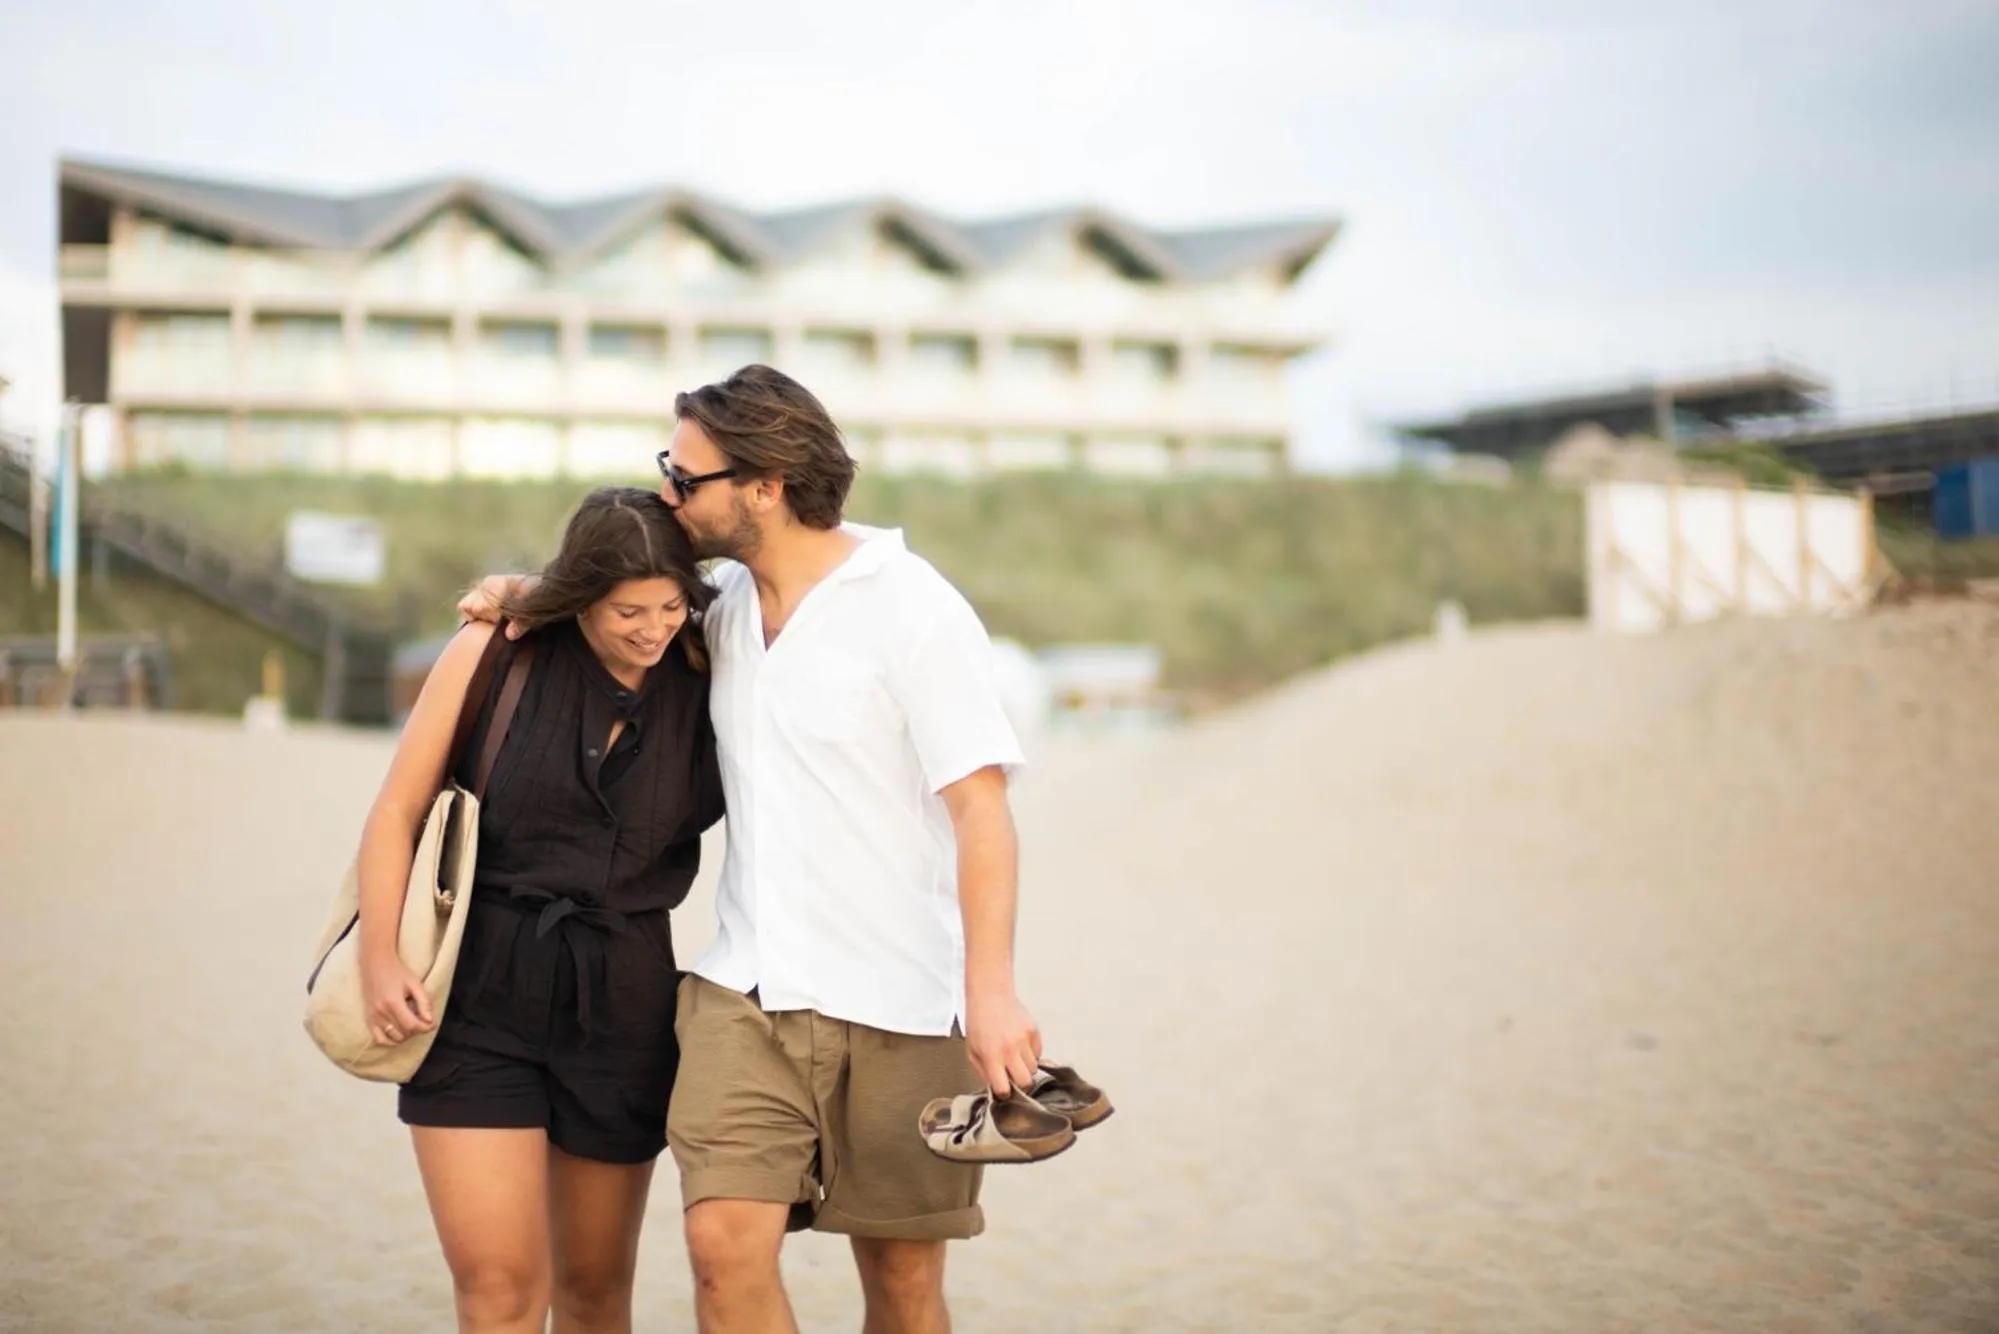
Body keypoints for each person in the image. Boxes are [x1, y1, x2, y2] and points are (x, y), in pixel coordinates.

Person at [462, 364, 1042, 1334]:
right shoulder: (716, 609)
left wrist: (992, 989)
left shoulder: (911, 605)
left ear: (764, 484)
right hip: (746, 995)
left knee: (902, 1283)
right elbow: (622, 609)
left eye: (685, 477)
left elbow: (981, 809)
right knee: (723, 1250)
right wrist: (535, 592)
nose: (666, 493)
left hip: (900, 999)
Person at [362, 486, 725, 1334]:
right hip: (477, 992)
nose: (652, 627)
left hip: (625, 998)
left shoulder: (709, 667)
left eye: (671, 605)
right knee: (496, 1290)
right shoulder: (498, 651)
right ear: (577, 598)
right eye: (626, 609)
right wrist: (381, 956)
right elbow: (395, 813)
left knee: (596, 1292)